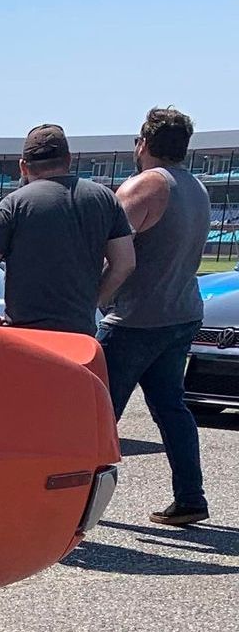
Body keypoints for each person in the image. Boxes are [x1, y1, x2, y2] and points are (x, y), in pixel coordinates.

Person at [101, 107, 212, 527]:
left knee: (95, 414)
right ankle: (191, 497)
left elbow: (113, 253)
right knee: (171, 408)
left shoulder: (145, 186)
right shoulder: (196, 187)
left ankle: (75, 503)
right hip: (181, 313)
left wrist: (96, 299)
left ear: (143, 143)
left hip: (135, 319)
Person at [0, 124, 134, 334]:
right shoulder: (105, 199)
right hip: (78, 335)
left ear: (23, 167)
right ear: (69, 159)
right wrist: (93, 301)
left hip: (25, 336)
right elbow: (125, 263)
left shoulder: (12, 205)